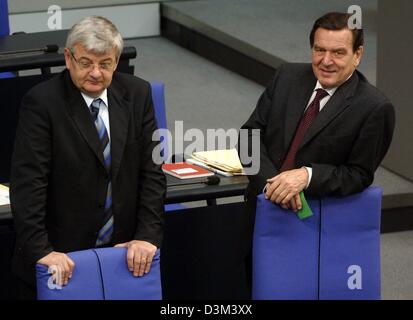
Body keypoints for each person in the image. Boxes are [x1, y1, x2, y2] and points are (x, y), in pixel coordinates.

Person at [10, 16, 166, 299]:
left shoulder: (137, 94)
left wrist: (146, 236)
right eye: (86, 63)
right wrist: (42, 251)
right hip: (62, 257)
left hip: (124, 257)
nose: (96, 72)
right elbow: (28, 185)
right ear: (68, 58)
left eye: (105, 63)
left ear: (116, 61)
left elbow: (152, 172)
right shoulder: (42, 103)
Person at [240, 11, 395, 295]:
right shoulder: (286, 76)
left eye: (338, 52)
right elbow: (248, 136)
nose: (326, 61)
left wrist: (307, 176)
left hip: (313, 227)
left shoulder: (374, 108)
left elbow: (359, 174)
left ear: (357, 54)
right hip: (257, 210)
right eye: (319, 50)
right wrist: (272, 184)